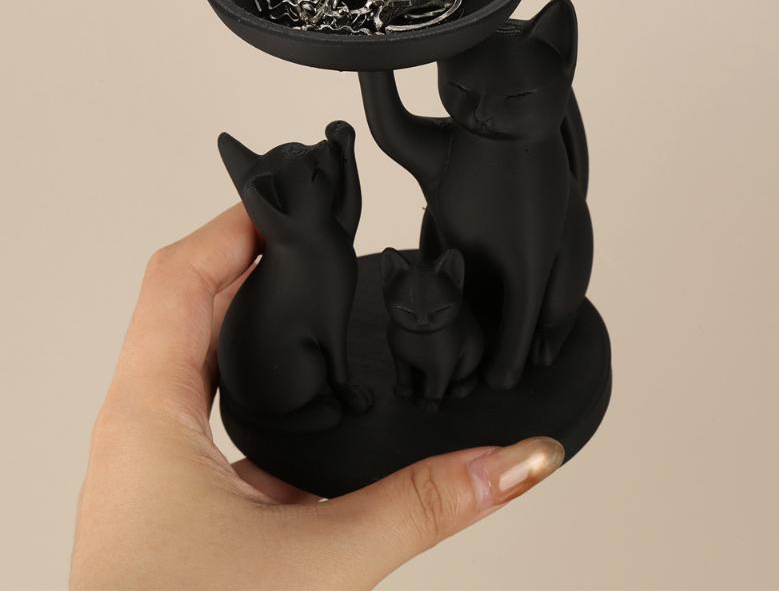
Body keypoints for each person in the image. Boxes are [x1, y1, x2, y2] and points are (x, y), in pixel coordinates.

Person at [70, 204, 564, 590]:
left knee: (440, 365)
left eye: (434, 311)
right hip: (303, 398)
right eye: (407, 311)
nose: (420, 319)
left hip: (445, 369)